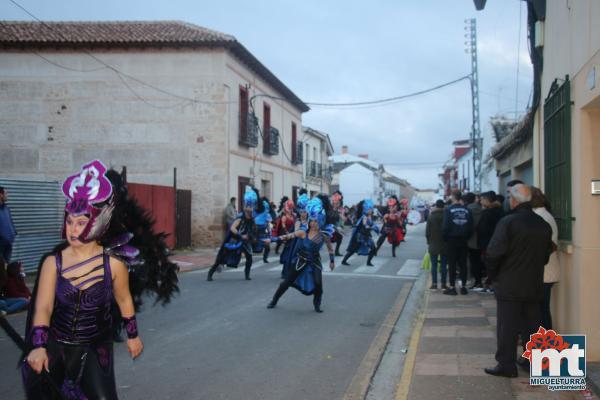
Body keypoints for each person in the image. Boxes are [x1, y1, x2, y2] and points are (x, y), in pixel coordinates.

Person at [21, 160, 179, 399]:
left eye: (82, 223)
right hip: (56, 343)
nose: (74, 230)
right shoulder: (52, 262)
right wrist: (39, 345)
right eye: (70, 222)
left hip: (95, 347)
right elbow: (43, 306)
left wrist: (133, 335)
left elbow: (125, 299)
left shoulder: (114, 261)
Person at [484, 184, 553, 378]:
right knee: (532, 325)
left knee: (507, 327)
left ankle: (506, 364)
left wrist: (493, 275)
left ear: (514, 201)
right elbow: (546, 255)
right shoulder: (543, 224)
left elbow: (493, 253)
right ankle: (533, 362)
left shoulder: (508, 222)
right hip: (534, 283)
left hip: (509, 283)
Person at [267, 196, 335, 313]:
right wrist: (272, 239)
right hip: (301, 260)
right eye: (312, 220)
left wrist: (332, 261)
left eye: (316, 221)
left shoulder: (324, 235)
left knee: (318, 285)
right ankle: (274, 300)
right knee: (287, 281)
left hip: (315, 262)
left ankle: (317, 305)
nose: (313, 223)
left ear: (320, 220)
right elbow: (288, 236)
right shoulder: (303, 232)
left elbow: (330, 249)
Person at [208, 187, 259, 281]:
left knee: (249, 258)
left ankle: (247, 275)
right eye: (250, 208)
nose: (252, 210)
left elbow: (253, 229)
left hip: (245, 241)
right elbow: (232, 228)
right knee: (222, 257)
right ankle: (210, 272)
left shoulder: (252, 219)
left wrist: (253, 236)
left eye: (252, 208)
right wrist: (241, 235)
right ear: (247, 209)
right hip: (235, 239)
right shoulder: (240, 217)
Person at [530, 187, 560, 330]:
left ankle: (546, 345)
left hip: (544, 272)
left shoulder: (541, 217)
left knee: (541, 311)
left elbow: (550, 245)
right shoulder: (542, 215)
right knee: (540, 310)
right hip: (543, 272)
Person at [442, 190, 473, 296]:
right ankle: (463, 287)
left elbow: (445, 226)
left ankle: (452, 287)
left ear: (453, 197)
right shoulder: (467, 210)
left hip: (452, 240)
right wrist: (467, 237)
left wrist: (446, 238)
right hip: (464, 240)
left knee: (452, 264)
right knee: (463, 264)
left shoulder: (449, 210)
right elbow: (471, 226)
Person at [477, 191, 505, 292]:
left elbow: (482, 229)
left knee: (489, 264)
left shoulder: (487, 213)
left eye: (482, 199)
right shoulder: (501, 210)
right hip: (499, 242)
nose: (480, 201)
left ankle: (491, 284)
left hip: (488, 243)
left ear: (487, 200)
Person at [341, 199, 379, 266]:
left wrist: (374, 226)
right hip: (361, 236)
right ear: (366, 209)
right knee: (352, 249)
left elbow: (371, 224)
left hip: (366, 235)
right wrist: (371, 227)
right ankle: (344, 261)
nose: (371, 210)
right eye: (369, 209)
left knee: (373, 248)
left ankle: (368, 262)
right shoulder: (364, 217)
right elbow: (365, 225)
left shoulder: (368, 216)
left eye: (371, 208)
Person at [464, 192, 483, 289]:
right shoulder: (482, 209)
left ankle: (472, 280)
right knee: (479, 261)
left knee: (471, 261)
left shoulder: (467, 210)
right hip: (481, 239)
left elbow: (467, 226)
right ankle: (479, 281)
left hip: (470, 239)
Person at [426, 200, 447, 290]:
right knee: (443, 265)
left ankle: (434, 284)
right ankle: (443, 284)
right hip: (445, 244)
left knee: (434, 265)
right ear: (443, 206)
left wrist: (429, 241)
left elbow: (427, 232)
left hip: (433, 243)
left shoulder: (431, 217)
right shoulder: (446, 215)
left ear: (436, 206)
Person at [0, 186, 17, 262]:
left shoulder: (6, 208)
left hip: (9, 242)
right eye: (6, 193)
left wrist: (14, 232)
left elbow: (10, 221)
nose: (7, 195)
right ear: (1, 195)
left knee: (6, 263)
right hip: (1, 243)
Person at [253, 197, 273, 263]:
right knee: (265, 245)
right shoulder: (260, 211)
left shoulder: (258, 211)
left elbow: (267, 223)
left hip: (260, 230)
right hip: (260, 229)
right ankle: (265, 258)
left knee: (265, 245)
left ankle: (264, 258)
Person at [330, 191, 346, 256]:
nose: (336, 203)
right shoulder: (330, 208)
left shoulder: (341, 209)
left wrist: (341, 225)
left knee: (339, 237)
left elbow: (343, 219)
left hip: (336, 226)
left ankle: (336, 251)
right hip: (330, 225)